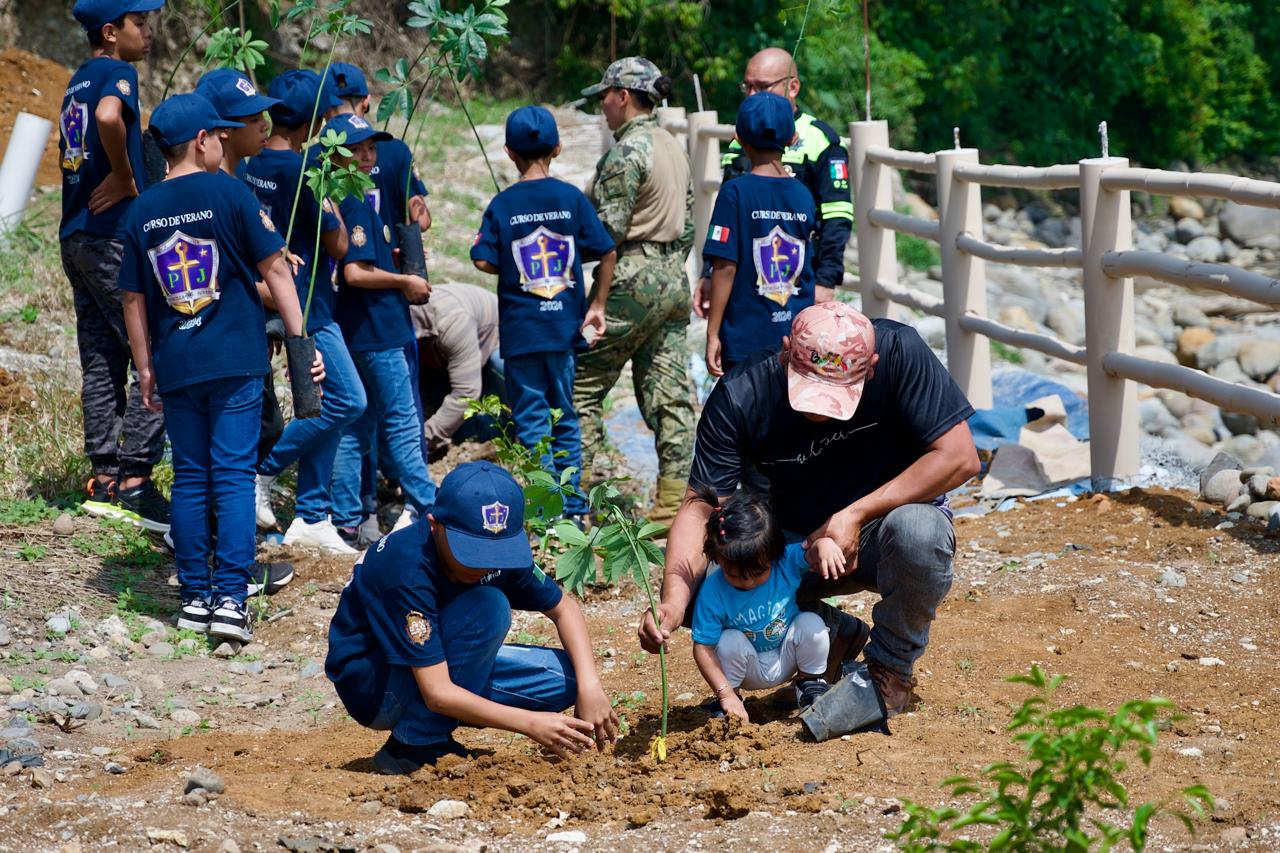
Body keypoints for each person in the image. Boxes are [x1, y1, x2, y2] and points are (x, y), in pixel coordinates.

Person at [637, 302, 981, 718]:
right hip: (788, 553)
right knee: (702, 590)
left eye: (834, 398)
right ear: (785, 350)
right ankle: (834, 635)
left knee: (920, 532)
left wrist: (856, 514)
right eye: (808, 389)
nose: (817, 411)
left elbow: (960, 457)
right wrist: (672, 602)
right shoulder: (741, 394)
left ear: (870, 367)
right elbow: (701, 506)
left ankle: (888, 668)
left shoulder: (898, 352)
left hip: (878, 534)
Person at [117, 93, 322, 642]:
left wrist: (145, 368)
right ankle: (231, 598)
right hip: (234, 358)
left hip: (176, 360)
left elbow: (133, 298)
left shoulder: (140, 210)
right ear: (204, 140)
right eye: (218, 135)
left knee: (189, 476)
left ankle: (194, 597)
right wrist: (301, 346)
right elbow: (277, 272)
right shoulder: (231, 192)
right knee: (232, 475)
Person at [326, 461, 619, 775]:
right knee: (488, 605)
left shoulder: (498, 549)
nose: (483, 565)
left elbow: (565, 609)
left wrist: (590, 686)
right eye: (471, 553)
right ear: (435, 525)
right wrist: (531, 724)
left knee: (568, 679)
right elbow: (437, 692)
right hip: (377, 683)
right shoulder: (407, 568)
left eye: (494, 553)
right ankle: (414, 743)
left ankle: (454, 707)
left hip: (437, 662)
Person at [471, 106, 616, 519]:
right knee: (564, 415)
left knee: (532, 421)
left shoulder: (502, 204)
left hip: (521, 333)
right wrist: (598, 306)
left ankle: (545, 510)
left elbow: (482, 260)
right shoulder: (571, 198)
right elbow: (605, 250)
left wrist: (508, 263)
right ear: (558, 147)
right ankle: (572, 505)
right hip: (564, 329)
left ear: (508, 152)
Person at [244, 70, 366, 555]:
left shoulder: (252, 163)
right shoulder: (302, 171)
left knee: (320, 404)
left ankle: (312, 515)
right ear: (317, 121)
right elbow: (336, 243)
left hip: (281, 296)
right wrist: (332, 195)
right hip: (308, 303)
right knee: (347, 402)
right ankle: (265, 471)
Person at [61, 0, 168, 531]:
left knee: (101, 359)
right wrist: (126, 177)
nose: (148, 33)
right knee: (155, 350)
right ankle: (136, 482)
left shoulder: (76, 79)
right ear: (111, 32)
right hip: (111, 236)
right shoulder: (116, 73)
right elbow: (109, 118)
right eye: (140, 24)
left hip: (75, 235)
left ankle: (103, 477)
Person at [575, 57, 696, 523]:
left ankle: (589, 497)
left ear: (623, 97)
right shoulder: (672, 145)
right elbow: (687, 226)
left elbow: (607, 232)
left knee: (580, 385)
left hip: (629, 279)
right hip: (671, 277)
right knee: (670, 393)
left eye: (605, 96)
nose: (602, 106)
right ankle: (673, 509)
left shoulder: (625, 153)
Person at [323, 113, 436, 543]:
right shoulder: (354, 204)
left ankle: (347, 517)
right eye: (358, 149)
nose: (369, 156)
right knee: (402, 423)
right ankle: (429, 505)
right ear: (337, 158)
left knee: (358, 426)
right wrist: (404, 280)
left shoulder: (352, 199)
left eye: (372, 147)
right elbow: (355, 272)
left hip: (358, 331)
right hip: (380, 332)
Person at [693, 47, 852, 315]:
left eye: (762, 87)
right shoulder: (740, 139)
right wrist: (709, 271)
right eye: (748, 86)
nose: (752, 95)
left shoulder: (820, 140)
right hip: (741, 284)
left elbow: (837, 216)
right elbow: (724, 218)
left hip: (797, 282)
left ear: (793, 87)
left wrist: (826, 279)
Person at [691, 486, 851, 722]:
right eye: (735, 575)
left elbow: (810, 552)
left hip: (786, 655)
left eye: (759, 572)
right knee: (726, 641)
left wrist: (824, 544)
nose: (748, 582)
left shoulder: (784, 562)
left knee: (811, 624)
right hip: (746, 667)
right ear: (717, 559)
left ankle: (810, 685)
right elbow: (702, 647)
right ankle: (732, 702)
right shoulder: (712, 592)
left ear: (774, 555)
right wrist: (724, 693)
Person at [703, 92, 816, 377]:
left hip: (744, 341)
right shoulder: (804, 195)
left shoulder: (734, 192)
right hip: (793, 339)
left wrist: (713, 333)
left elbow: (724, 265)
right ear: (792, 139)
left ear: (739, 137)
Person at [409, 283, 505, 459]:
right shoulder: (406, 321)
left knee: (499, 365)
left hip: (494, 340)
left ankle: (511, 430)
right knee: (457, 431)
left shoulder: (452, 321)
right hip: (443, 356)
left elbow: (466, 393)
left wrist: (420, 440)